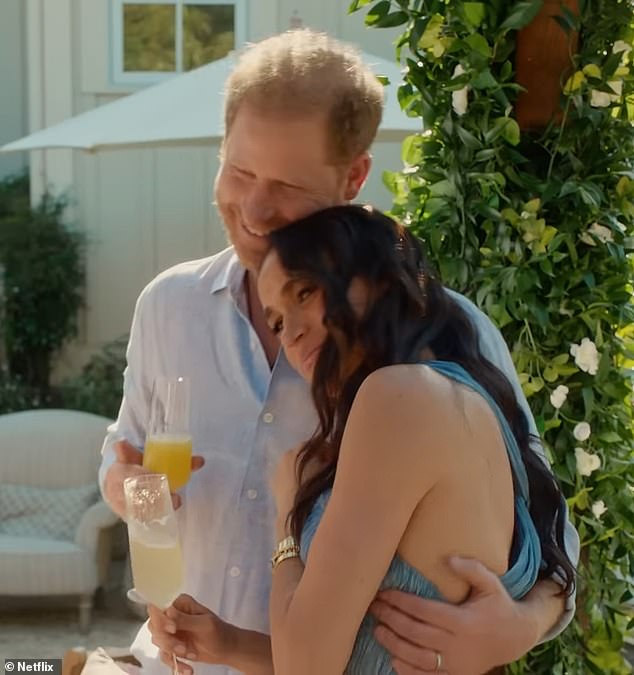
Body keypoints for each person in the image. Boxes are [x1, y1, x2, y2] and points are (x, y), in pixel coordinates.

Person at [99, 29, 579, 675]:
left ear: (354, 176)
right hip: (179, 660)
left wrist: (518, 625)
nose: (256, 208)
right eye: (239, 171)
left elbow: (554, 539)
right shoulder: (168, 304)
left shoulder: (442, 329)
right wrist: (125, 485)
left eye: (287, 184)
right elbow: (124, 451)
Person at [155, 204, 576, 674]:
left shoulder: (400, 398)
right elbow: (365, 651)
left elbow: (307, 670)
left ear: (379, 278)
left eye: (306, 291)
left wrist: (286, 519)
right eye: (276, 322)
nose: (290, 332)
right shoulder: (460, 398)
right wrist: (228, 643)